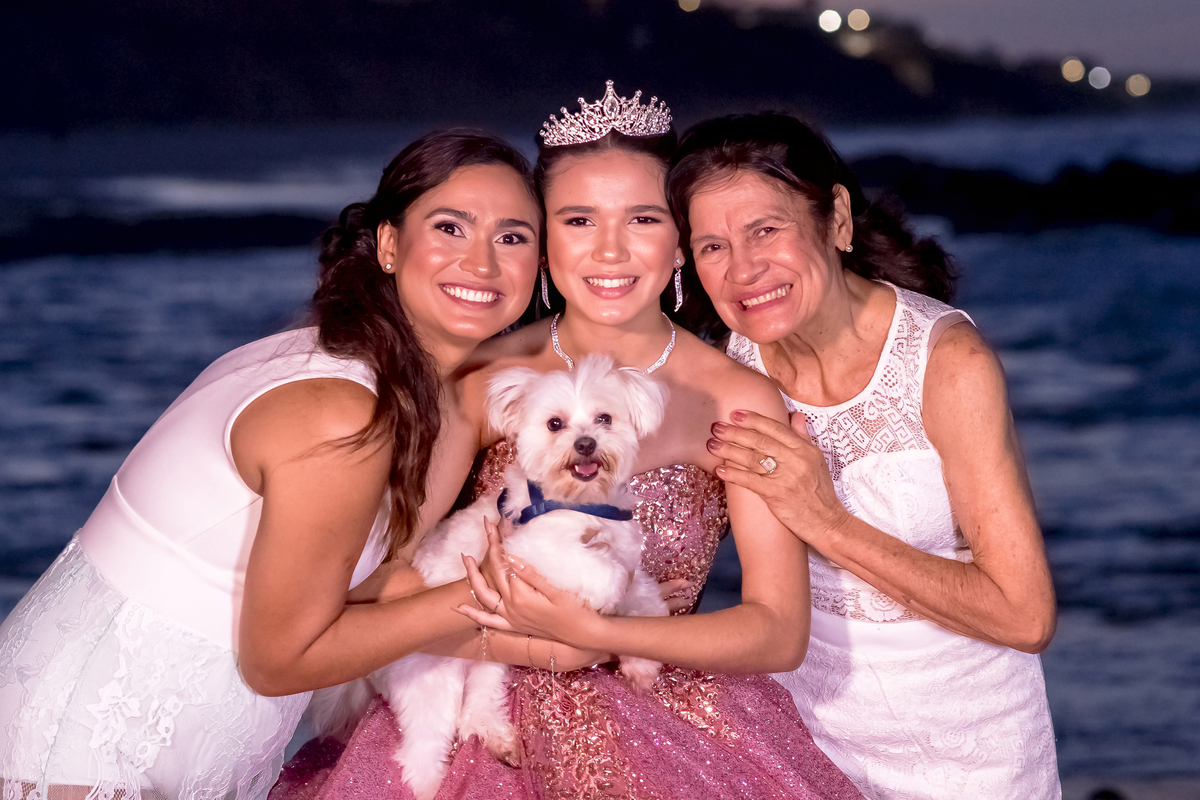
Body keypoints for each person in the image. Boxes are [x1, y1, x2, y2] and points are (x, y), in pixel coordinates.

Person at [273, 83, 862, 800]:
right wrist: (526, 634)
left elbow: (776, 631)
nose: (610, 249)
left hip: (663, 717)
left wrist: (622, 634)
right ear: (545, 242)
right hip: (478, 704)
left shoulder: (733, 398)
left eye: (642, 218)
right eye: (578, 219)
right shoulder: (491, 377)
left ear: (679, 241)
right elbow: (378, 576)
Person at [0, 130, 544, 800]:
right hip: (89, 752)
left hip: (173, 746)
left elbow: (351, 573)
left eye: (513, 237)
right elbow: (281, 657)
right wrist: (473, 599)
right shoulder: (342, 410)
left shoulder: (340, 361)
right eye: (450, 227)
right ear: (389, 245)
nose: (482, 262)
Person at [667, 112, 1061, 799]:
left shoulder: (947, 364)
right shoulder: (723, 371)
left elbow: (1024, 616)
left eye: (766, 229)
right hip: (801, 741)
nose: (743, 269)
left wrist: (824, 519)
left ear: (837, 220)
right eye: (712, 246)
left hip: (972, 757)